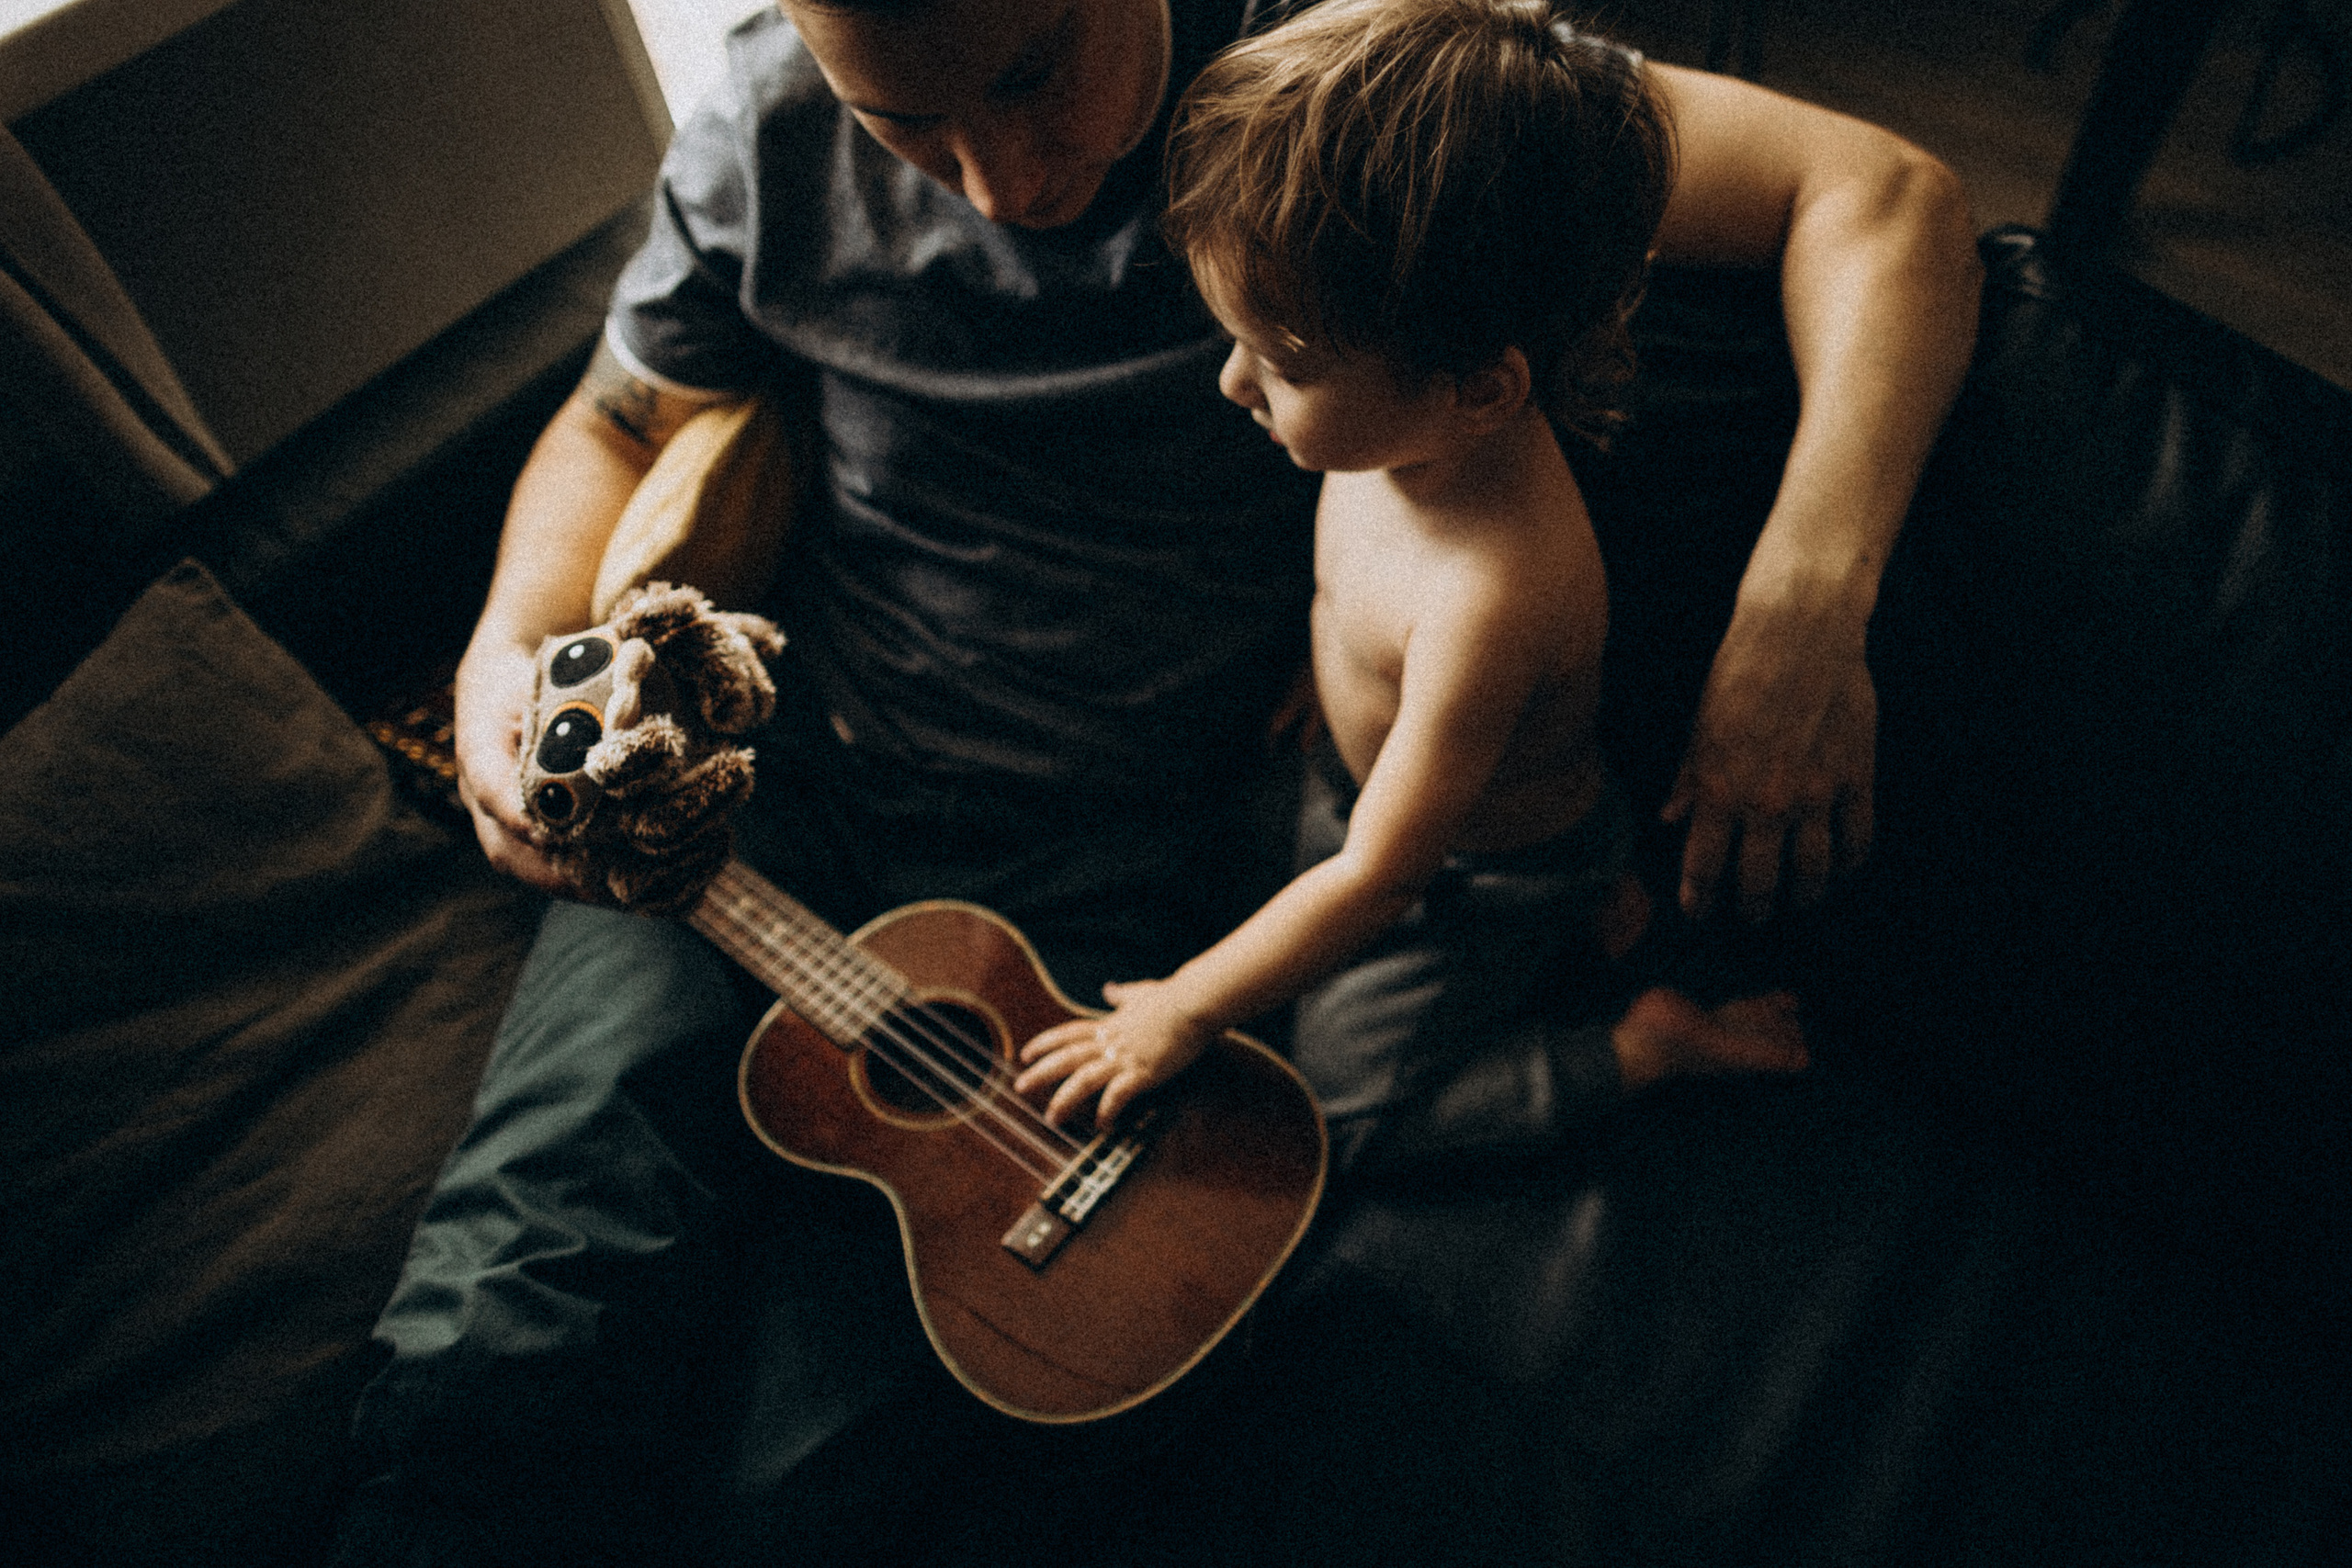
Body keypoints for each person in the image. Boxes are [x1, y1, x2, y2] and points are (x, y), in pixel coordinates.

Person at [337, 0, 1979, 1561]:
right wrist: (507, 649)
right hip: (765, 782)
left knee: (816, 1469)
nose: (1002, 185)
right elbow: (620, 421)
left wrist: (1801, 610)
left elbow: (1880, 195)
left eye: (1033, 73)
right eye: (899, 121)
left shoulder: (1347, 95)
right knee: (514, 1312)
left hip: (1097, 862)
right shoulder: (768, 117)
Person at [1013, 0, 1810, 1161]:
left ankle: (1643, 1045)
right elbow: (1360, 585)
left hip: (1471, 871)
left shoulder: (1490, 598)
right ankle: (1603, 899)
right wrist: (1337, 664)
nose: (1233, 385)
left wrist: (1183, 1010)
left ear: (1477, 391)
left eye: (1281, 365)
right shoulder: (1400, 430)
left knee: (1342, 1112)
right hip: (1368, 776)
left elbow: (1382, 877)